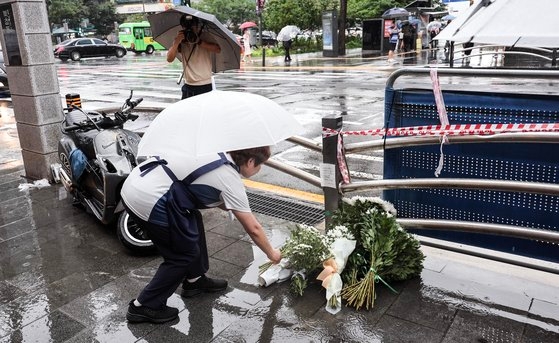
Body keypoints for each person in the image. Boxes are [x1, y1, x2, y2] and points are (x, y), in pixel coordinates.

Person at [123, 146, 282, 324]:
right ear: (251, 161)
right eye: (260, 165)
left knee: (193, 219)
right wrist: (272, 254)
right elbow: (254, 228)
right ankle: (143, 306)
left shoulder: (216, 151)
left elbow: (209, 192)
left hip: (137, 183)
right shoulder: (228, 177)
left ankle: (195, 280)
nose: (260, 169)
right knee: (182, 255)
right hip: (148, 199)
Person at [167, 15, 221, 99]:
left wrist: (199, 41)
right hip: (188, 85)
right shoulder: (181, 40)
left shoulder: (205, 36)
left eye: (192, 26)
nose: (189, 29)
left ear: (197, 26)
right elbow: (169, 59)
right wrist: (176, 42)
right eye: (186, 26)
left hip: (205, 84)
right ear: (182, 27)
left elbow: (217, 49)